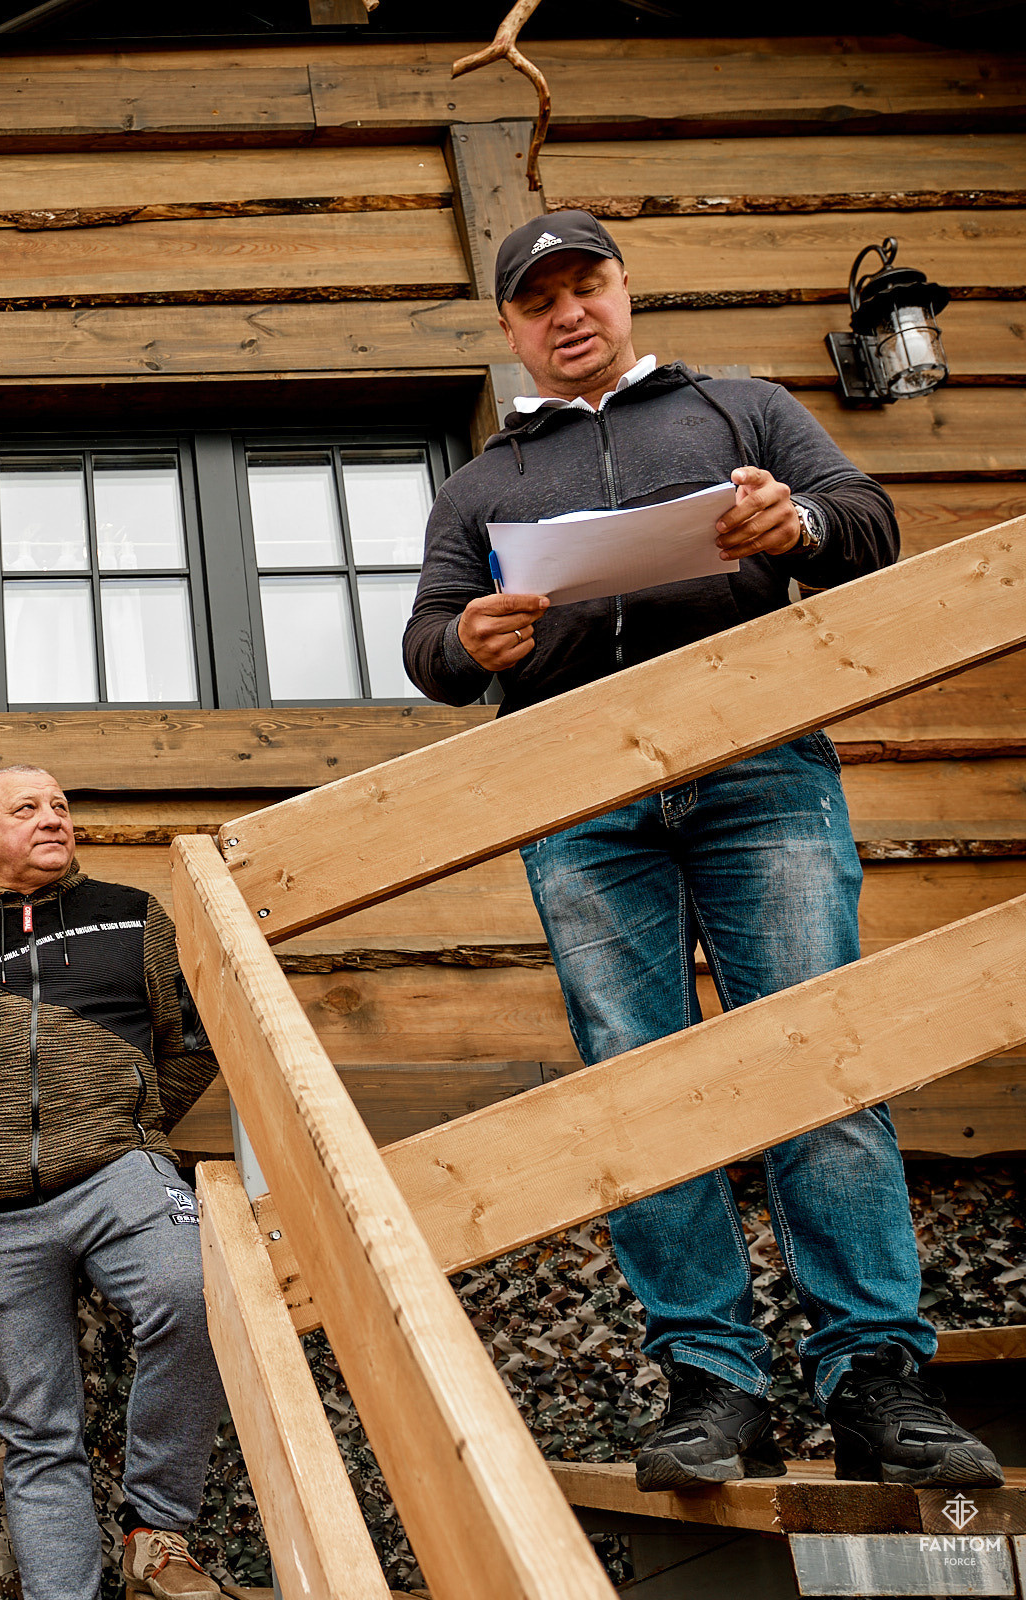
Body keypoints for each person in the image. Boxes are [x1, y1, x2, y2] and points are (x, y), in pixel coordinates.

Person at [404, 213, 1003, 1491]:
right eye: (541, 300)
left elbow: (867, 522)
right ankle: (712, 1384)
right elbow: (427, 649)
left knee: (819, 1053)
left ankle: (877, 1376)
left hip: (762, 767)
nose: (570, 313)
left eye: (590, 286)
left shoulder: (742, 408)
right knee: (637, 1085)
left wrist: (796, 534)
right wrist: (474, 644)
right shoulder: (480, 484)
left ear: (624, 293)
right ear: (510, 328)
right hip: (573, 798)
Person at [0, 764, 227, 1600]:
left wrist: (133, 1114)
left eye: (61, 807)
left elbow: (195, 1040)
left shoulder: (134, 914)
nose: (51, 819)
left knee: (197, 1290)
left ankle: (157, 1533)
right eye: (26, 808)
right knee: (38, 1424)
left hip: (120, 1172)